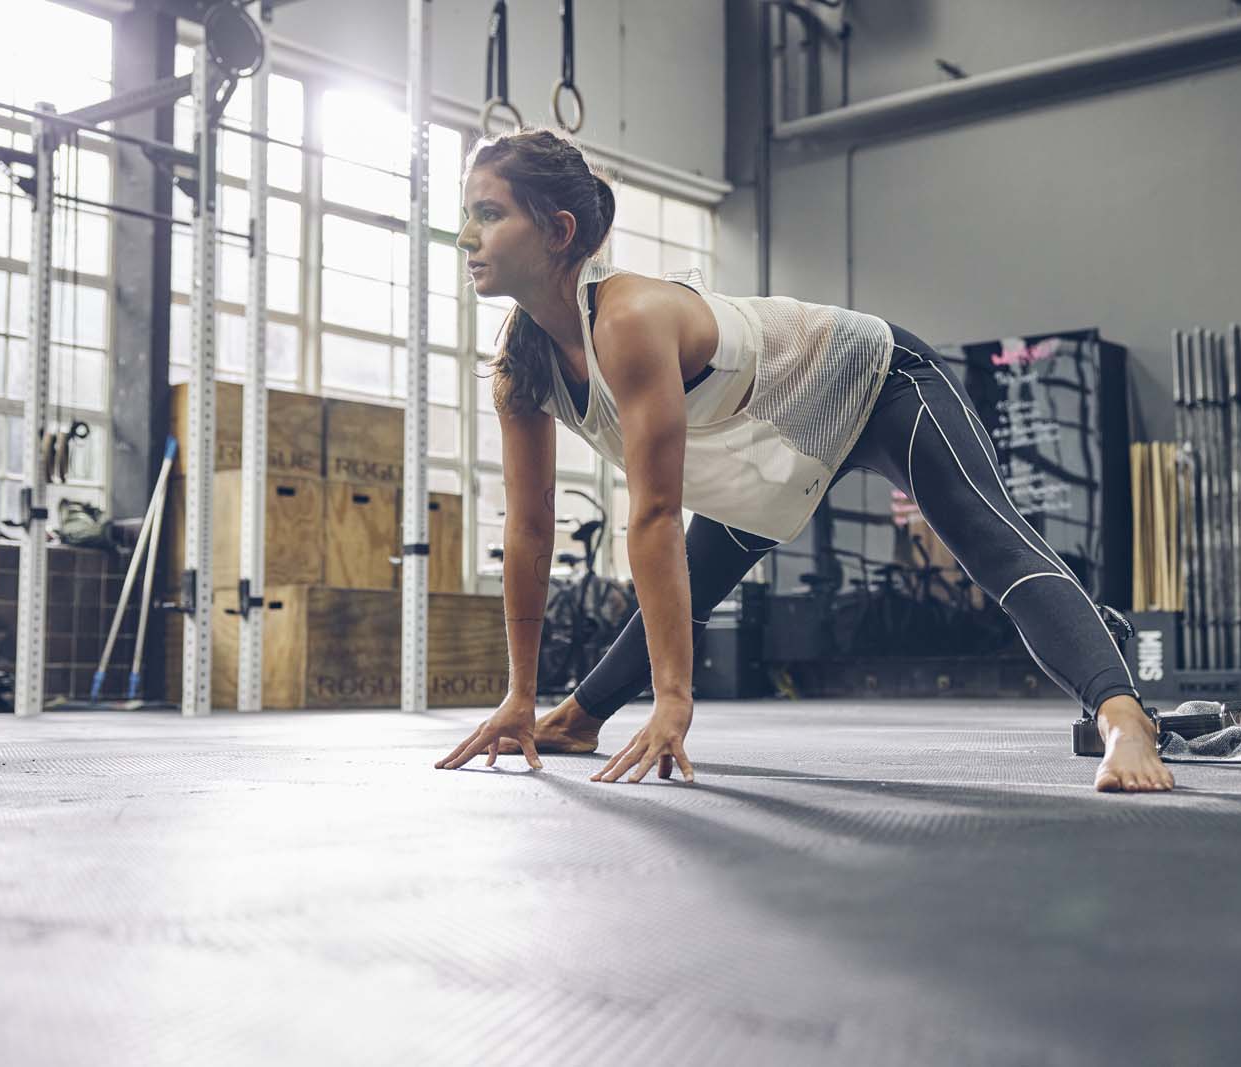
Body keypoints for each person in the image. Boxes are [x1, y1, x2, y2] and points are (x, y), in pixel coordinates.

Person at [434, 129, 1174, 793]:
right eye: (467, 212)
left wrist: (674, 703)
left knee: (991, 540)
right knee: (687, 577)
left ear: (559, 231)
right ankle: (577, 714)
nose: (466, 235)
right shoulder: (522, 359)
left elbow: (655, 515)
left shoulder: (627, 319)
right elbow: (528, 531)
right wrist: (518, 696)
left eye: (490, 214)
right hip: (764, 442)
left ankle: (1123, 717)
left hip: (875, 384)